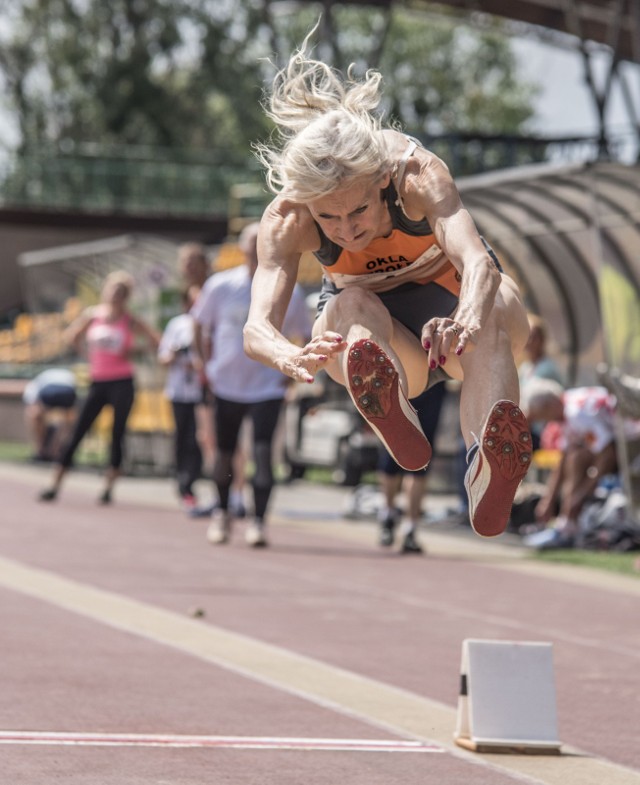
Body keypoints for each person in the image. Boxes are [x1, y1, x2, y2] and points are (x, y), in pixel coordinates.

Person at [243, 28, 533, 539]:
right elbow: (255, 328)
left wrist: (464, 319)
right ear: (308, 205)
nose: (347, 229)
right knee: (350, 300)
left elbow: (478, 263)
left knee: (496, 302)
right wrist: (286, 355)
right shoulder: (288, 216)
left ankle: (485, 463)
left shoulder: (415, 174)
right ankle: (390, 406)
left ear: (380, 180)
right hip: (386, 339)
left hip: (453, 323)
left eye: (358, 210)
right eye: (329, 219)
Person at [192, 222, 311, 547]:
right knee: (225, 453)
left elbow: (305, 334)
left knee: (262, 453)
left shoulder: (290, 289)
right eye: (250, 248)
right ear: (243, 250)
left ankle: (258, 522)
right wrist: (205, 367)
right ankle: (222, 512)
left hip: (266, 387)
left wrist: (291, 374)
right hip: (226, 383)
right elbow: (200, 325)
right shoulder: (220, 286)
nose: (256, 255)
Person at [39, 270, 160, 504]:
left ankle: (108, 487)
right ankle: (55, 483)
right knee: (79, 430)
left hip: (122, 383)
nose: (116, 296)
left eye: (121, 293)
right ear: (106, 292)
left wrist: (134, 349)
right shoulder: (93, 315)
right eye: (113, 291)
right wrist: (87, 355)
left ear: (126, 297)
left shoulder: (131, 320)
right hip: (98, 381)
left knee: (117, 434)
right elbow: (72, 336)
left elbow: (155, 341)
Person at [520, 380, 626, 549]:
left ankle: (568, 526)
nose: (544, 423)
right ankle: (565, 524)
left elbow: (608, 455)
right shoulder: (569, 407)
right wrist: (548, 500)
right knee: (574, 456)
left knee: (577, 458)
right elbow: (563, 459)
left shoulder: (576, 414)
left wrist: (581, 494)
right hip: (624, 443)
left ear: (549, 406)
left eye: (541, 417)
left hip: (631, 445)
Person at [377, 382, 447, 553]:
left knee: (416, 459)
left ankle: (401, 523)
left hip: (422, 384)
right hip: (407, 381)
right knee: (395, 456)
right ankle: (393, 518)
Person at [158, 286, 204, 512]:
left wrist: (197, 362)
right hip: (179, 390)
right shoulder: (177, 324)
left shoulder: (207, 323)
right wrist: (176, 354)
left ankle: (191, 480)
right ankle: (181, 479)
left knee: (197, 437)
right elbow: (164, 357)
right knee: (181, 435)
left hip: (199, 391)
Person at [518, 313, 565, 450]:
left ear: (542, 340)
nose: (530, 342)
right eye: (527, 337)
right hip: (528, 427)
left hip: (542, 431)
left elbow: (546, 406)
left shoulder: (548, 368)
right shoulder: (525, 368)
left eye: (534, 337)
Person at [22, 367, 78, 461]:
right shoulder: (50, 376)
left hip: (51, 389)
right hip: (68, 389)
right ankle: (56, 450)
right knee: (67, 420)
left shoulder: (33, 385)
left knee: (34, 415)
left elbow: (33, 408)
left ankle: (41, 450)